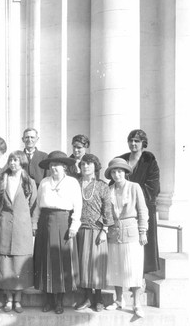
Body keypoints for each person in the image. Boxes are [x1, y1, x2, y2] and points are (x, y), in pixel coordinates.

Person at [32, 151, 82, 314]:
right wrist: (35, 223)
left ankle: (59, 301)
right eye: (51, 165)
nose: (54, 168)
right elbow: (38, 205)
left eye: (57, 165)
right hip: (45, 223)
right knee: (45, 260)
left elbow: (78, 206)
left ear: (65, 167)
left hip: (63, 223)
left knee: (60, 261)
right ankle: (48, 300)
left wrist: (74, 225)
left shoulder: (72, 183)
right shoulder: (44, 183)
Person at [0, 151, 37, 313]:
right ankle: (8, 299)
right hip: (4, 225)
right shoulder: (1, 180)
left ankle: (17, 299)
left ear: (22, 163)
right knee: (5, 262)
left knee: (19, 263)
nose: (13, 163)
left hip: (21, 227)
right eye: (11, 160)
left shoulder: (29, 182)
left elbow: (34, 205)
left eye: (16, 160)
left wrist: (31, 223)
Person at [104, 158, 148, 318]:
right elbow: (107, 213)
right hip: (114, 233)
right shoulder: (109, 189)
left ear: (125, 172)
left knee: (133, 268)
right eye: (114, 172)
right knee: (116, 268)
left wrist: (143, 231)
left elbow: (143, 210)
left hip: (131, 233)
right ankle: (118, 300)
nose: (117, 175)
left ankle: (136, 304)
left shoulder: (134, 187)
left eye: (120, 171)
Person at [74, 154, 113, 312]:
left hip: (97, 230)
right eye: (83, 164)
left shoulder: (102, 185)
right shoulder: (75, 184)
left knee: (96, 265)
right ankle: (87, 298)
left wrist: (104, 230)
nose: (85, 167)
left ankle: (99, 299)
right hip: (80, 229)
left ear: (95, 166)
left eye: (89, 164)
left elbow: (107, 210)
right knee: (83, 265)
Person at [118, 129, 160, 273]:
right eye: (131, 140)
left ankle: (141, 275)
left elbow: (153, 186)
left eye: (137, 141)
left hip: (144, 206)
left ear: (143, 143)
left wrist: (134, 198)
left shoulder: (149, 160)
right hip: (124, 207)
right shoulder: (122, 159)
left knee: (143, 242)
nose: (133, 143)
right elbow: (114, 181)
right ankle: (127, 274)